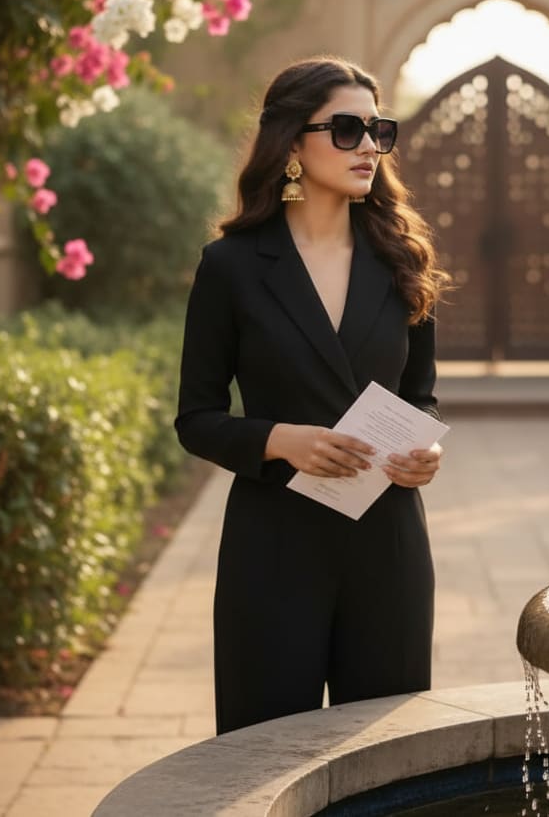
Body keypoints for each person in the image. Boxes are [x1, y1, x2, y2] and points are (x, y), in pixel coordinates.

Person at [175, 56, 450, 735]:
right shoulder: (232, 266)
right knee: (263, 755)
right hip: (274, 547)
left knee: (384, 757)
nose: (369, 147)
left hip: (387, 545)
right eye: (347, 130)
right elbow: (196, 417)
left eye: (378, 131)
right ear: (293, 143)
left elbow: (421, 397)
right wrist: (279, 440)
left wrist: (426, 453)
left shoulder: (402, 258)